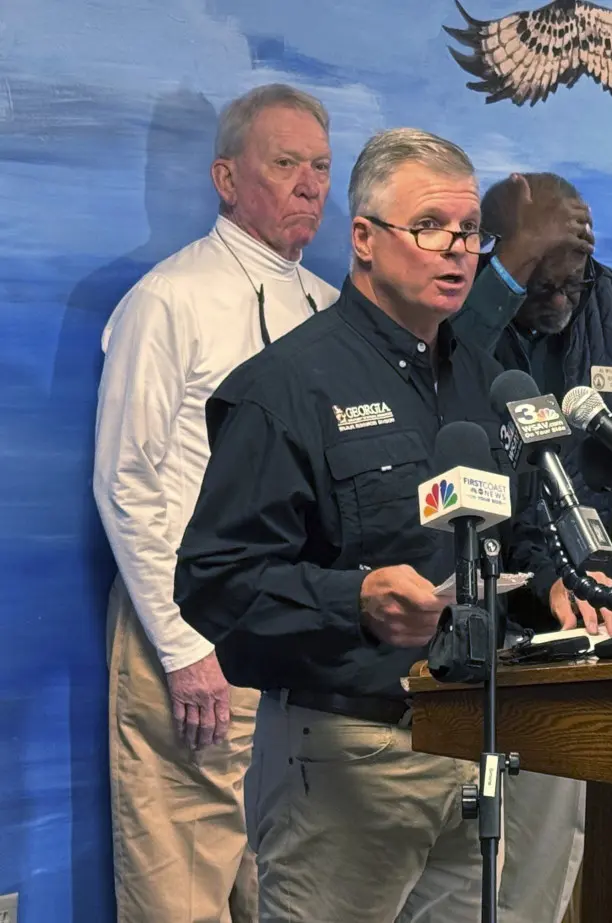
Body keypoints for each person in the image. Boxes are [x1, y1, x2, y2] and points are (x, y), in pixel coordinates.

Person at [173, 127, 596, 923]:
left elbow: (525, 525)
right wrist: (355, 599)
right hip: (355, 759)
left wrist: (560, 580)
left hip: (494, 741)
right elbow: (215, 581)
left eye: (470, 232)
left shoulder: (491, 378)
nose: (456, 250)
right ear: (363, 239)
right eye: (429, 227)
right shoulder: (287, 387)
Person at [92, 83, 335, 923]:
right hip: (188, 639)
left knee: (292, 885)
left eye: (322, 167)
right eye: (286, 163)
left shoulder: (331, 310)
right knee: (181, 890)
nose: (310, 185)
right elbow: (127, 481)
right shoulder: (169, 301)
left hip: (293, 646)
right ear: (225, 178)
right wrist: (183, 644)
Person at [452, 171, 612, 923]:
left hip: (572, 610)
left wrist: (588, 570)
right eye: (541, 279)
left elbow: (596, 457)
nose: (562, 299)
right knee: (459, 868)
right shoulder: (464, 310)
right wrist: (514, 269)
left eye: (575, 277)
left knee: (546, 851)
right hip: (475, 600)